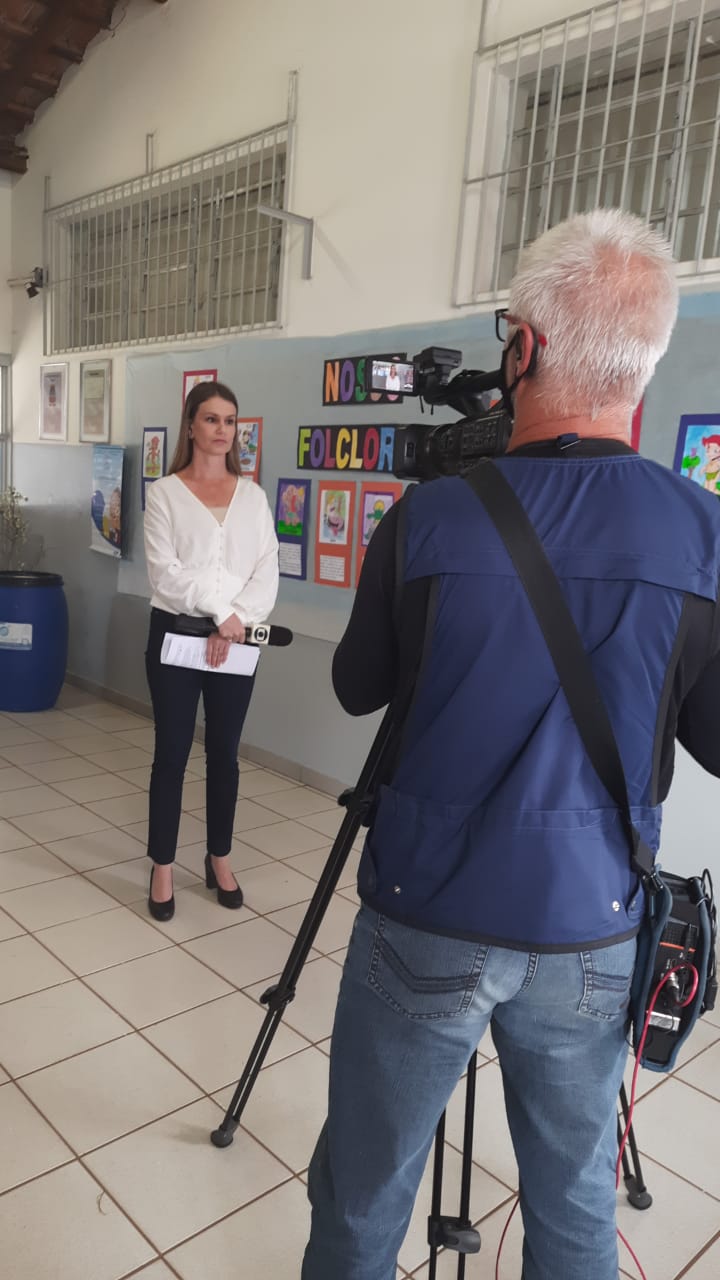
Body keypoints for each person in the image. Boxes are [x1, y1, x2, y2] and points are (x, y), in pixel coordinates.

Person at [302, 209, 720, 1280]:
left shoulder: (428, 520)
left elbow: (355, 688)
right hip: (594, 922)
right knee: (574, 1201)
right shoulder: (702, 530)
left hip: (425, 913)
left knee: (362, 1191)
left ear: (523, 347)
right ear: (645, 362)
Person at [143, 381, 279, 922]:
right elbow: (166, 574)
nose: (223, 430)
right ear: (191, 425)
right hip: (176, 635)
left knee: (224, 754)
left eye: (230, 420)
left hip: (237, 642)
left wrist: (234, 621)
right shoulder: (164, 494)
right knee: (171, 754)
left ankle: (218, 857)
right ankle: (162, 866)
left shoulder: (254, 497)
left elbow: (267, 570)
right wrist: (220, 613)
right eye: (212, 419)